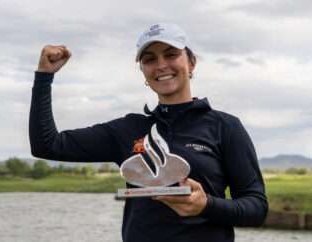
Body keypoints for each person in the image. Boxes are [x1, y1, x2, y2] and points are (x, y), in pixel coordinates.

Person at [29, 23, 268, 242]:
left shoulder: (225, 127)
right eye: (149, 59)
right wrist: (44, 76)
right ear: (143, 71)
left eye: (171, 54)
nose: (161, 65)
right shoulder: (127, 129)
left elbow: (256, 208)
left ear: (191, 63)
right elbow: (47, 145)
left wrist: (206, 205)